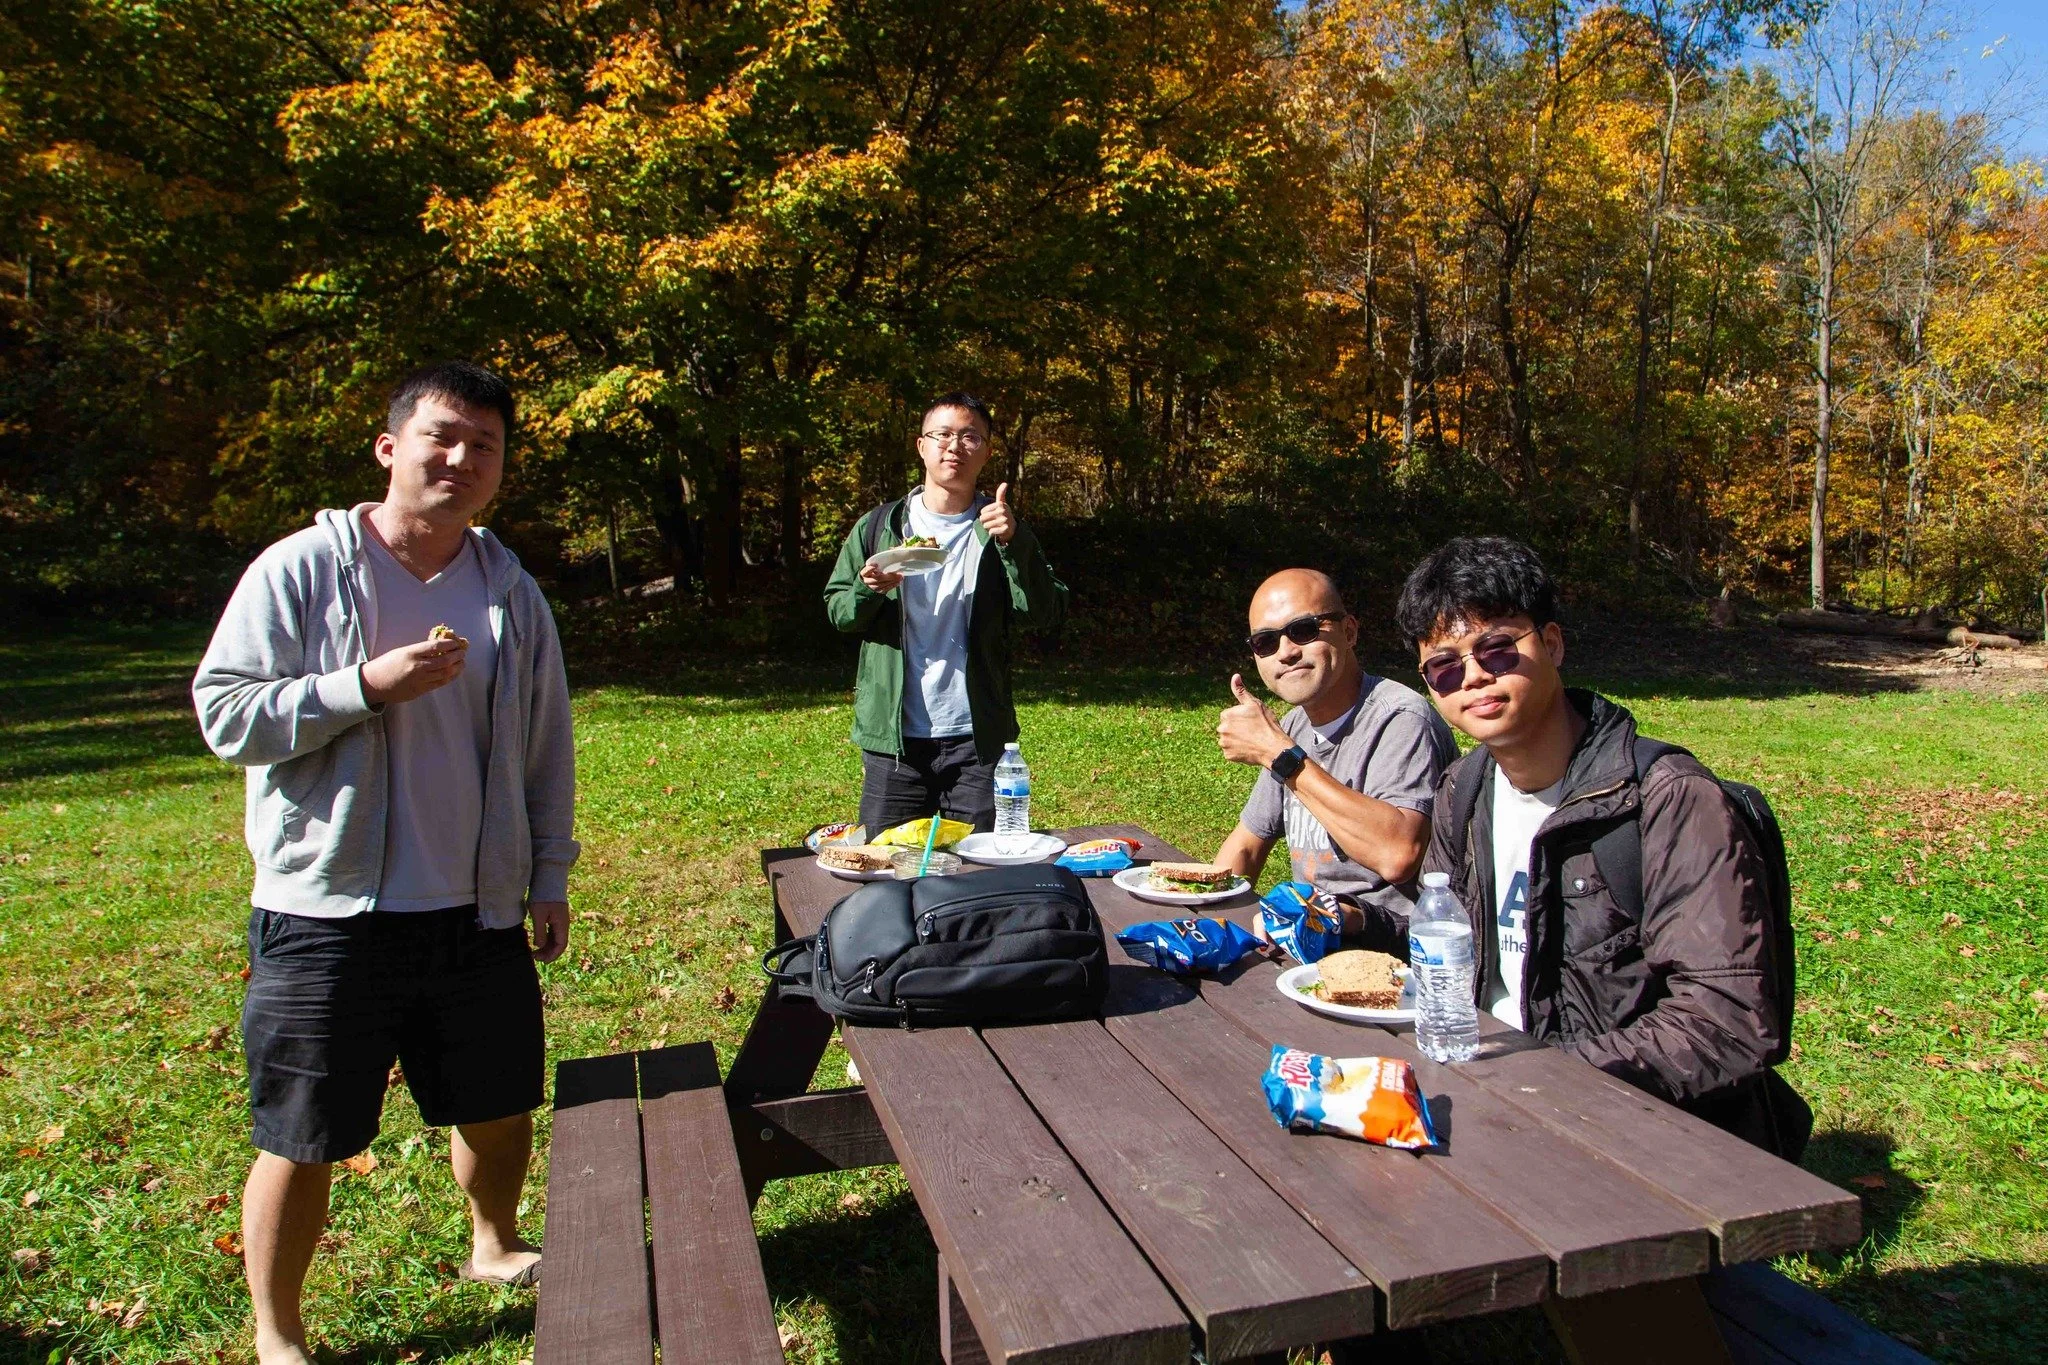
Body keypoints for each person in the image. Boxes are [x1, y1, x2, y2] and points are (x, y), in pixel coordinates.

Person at [193, 361, 579, 1364]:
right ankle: (279, 1334)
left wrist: (547, 873)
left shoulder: (506, 588)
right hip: (328, 914)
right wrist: (361, 686)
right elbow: (227, 714)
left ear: (500, 467)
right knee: (302, 1136)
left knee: (496, 1110)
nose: (460, 458)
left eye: (484, 444)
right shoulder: (300, 570)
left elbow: (546, 742)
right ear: (389, 447)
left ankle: (492, 1244)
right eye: (441, 436)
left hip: (476, 908)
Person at [1392, 536, 1809, 1157]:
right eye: (1446, 666)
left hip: (1630, 1127)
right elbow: (1444, 926)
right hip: (1490, 1095)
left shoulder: (1668, 800)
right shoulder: (1465, 787)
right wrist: (1344, 919)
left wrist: (1546, 1078)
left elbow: (1726, 1018)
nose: (1474, 676)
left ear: (1553, 644)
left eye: (1497, 648)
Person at [824, 392, 1068, 835]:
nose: (953, 446)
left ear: (986, 451)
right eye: (942, 435)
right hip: (893, 742)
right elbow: (839, 613)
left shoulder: (1002, 529)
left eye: (969, 436)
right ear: (922, 446)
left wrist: (1015, 546)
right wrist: (868, 588)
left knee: (977, 879)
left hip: (976, 740)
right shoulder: (880, 525)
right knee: (887, 873)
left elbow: (1044, 612)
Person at [1214, 569, 1457, 932]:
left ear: (1350, 632)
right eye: (1266, 642)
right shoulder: (1295, 725)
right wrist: (1202, 913)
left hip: (1397, 952)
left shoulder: (1400, 720)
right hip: (1313, 939)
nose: (1286, 652)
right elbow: (1247, 846)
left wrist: (1280, 754)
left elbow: (1397, 855)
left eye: (1304, 630)